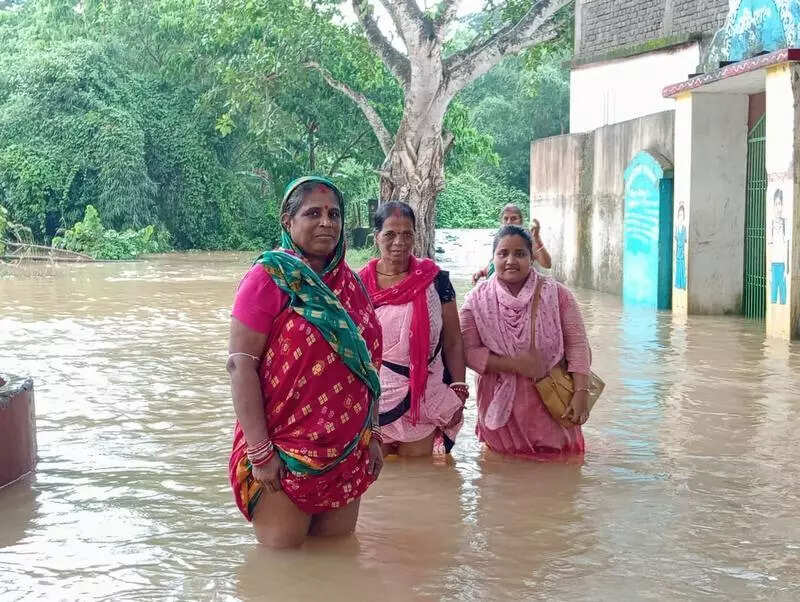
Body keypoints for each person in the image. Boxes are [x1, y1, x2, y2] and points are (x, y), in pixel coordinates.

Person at [227, 176, 383, 548]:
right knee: (283, 566)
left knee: (337, 557)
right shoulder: (268, 279)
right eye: (313, 213)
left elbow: (369, 368)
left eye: (334, 214)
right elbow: (240, 366)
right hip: (283, 454)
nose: (326, 222)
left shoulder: (352, 285)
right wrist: (261, 452)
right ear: (287, 221)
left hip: (349, 452)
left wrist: (374, 435)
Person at [460, 225, 591, 458]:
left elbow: (577, 345)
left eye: (520, 254)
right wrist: (515, 365)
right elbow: (466, 351)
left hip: (550, 400)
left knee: (559, 469)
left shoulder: (557, 294)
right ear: (493, 259)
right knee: (501, 471)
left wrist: (581, 393)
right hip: (499, 406)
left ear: (532, 258)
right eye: (503, 253)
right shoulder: (476, 300)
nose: (511, 260)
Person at [359, 201, 468, 456]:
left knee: (421, 479)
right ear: (376, 238)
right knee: (377, 478)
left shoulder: (435, 281)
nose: (399, 242)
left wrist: (459, 389)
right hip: (376, 397)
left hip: (425, 396)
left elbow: (453, 340)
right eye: (390, 234)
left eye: (407, 234)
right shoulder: (358, 285)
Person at [472, 203, 551, 284]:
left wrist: (537, 240)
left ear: (521, 221)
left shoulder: (527, 241)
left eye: (513, 218)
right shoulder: (500, 239)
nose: (509, 222)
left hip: (516, 291)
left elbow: (547, 264)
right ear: (501, 221)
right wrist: (482, 272)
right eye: (506, 218)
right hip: (493, 289)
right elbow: (495, 263)